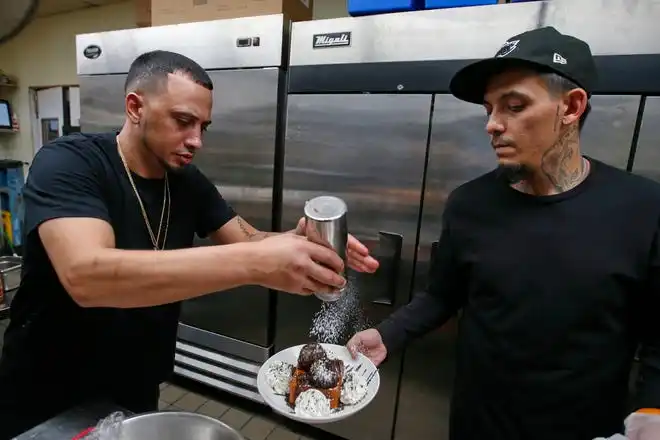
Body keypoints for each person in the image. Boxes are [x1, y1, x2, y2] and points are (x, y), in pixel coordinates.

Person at [0, 50, 379, 438]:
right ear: (135, 107)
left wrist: (301, 241)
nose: (196, 140)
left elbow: (248, 239)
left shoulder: (186, 182)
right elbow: (87, 276)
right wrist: (256, 263)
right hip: (47, 391)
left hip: (135, 385)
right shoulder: (70, 163)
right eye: (183, 121)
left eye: (203, 127)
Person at [347, 27, 660, 440]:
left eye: (514, 106)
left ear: (571, 107)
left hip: (585, 429)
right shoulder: (470, 204)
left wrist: (653, 410)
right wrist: (389, 334)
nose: (493, 125)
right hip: (479, 423)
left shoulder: (643, 208)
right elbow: (443, 294)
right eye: (489, 109)